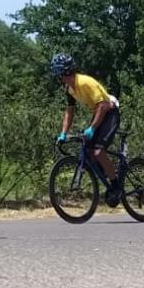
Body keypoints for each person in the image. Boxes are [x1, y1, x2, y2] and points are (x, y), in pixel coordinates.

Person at [51, 53, 123, 206]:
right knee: (88, 151)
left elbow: (103, 106)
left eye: (58, 74)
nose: (58, 77)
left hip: (110, 112)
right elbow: (69, 112)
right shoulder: (70, 88)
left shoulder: (84, 82)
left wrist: (92, 128)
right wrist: (63, 132)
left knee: (98, 151)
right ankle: (106, 175)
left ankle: (115, 185)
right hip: (99, 111)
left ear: (64, 72)